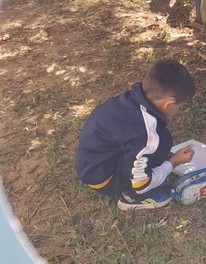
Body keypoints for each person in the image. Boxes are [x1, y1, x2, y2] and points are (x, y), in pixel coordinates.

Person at [75, 59, 196, 211]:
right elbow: (141, 183)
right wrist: (173, 162)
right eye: (179, 106)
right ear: (169, 103)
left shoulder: (130, 99)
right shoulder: (145, 131)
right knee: (159, 143)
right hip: (104, 180)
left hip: (89, 165)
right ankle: (132, 197)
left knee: (160, 141)